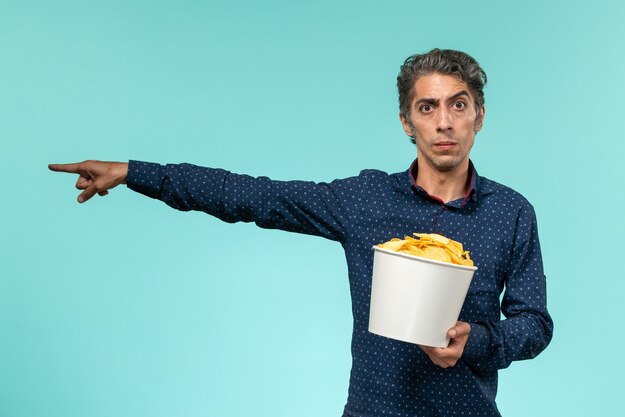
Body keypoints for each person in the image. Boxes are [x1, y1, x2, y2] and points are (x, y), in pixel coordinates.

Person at [49, 48, 553, 417]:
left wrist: (477, 341)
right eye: (428, 107)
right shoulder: (364, 201)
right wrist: (133, 172)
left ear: (479, 117)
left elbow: (534, 324)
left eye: (458, 105)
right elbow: (248, 195)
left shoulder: (511, 212)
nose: (444, 122)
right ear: (406, 122)